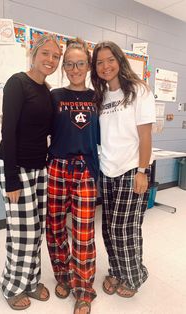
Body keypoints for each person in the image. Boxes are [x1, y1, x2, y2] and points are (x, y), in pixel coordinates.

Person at [0, 34, 61, 310]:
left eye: (56, 56)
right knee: (23, 232)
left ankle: (31, 282)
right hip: (14, 166)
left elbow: (45, 133)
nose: (51, 60)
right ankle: (12, 286)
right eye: (46, 53)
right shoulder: (17, 83)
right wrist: (11, 178)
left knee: (36, 230)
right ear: (33, 55)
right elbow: (7, 131)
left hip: (39, 167)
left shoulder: (47, 91)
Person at [91, 41, 156, 298]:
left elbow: (146, 135)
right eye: (99, 62)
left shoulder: (139, 90)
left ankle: (134, 275)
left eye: (110, 60)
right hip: (107, 170)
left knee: (124, 227)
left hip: (131, 169)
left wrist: (143, 170)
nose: (105, 66)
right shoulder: (102, 96)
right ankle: (117, 271)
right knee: (108, 227)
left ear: (119, 60)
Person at [46, 38, 99, 314]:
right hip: (56, 167)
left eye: (80, 64)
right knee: (55, 227)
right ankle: (63, 276)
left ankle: (84, 289)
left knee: (83, 232)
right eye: (69, 64)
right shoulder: (53, 95)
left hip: (86, 169)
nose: (74, 69)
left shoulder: (97, 98)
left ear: (88, 66)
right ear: (63, 67)